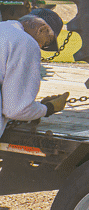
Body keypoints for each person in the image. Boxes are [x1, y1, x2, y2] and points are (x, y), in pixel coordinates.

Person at [0, 8, 69, 136]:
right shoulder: (25, 42)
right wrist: (48, 109)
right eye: (47, 41)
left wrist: (34, 106)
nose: (42, 47)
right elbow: (15, 109)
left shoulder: (4, 28)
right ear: (41, 29)